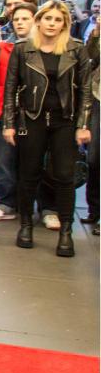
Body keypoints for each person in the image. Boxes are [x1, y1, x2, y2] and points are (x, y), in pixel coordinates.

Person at [3, 0, 93, 257]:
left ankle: (66, 231)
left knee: (65, 176)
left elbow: (85, 89)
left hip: (65, 120)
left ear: (65, 23)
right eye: (48, 18)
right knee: (29, 173)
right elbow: (11, 88)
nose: (52, 24)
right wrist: (9, 124)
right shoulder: (23, 49)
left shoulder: (76, 49)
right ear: (39, 21)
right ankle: (26, 226)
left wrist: (83, 124)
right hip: (32, 118)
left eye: (58, 20)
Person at [0, 2, 38, 221]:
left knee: (35, 160)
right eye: (16, 19)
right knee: (4, 160)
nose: (20, 23)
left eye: (25, 18)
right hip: (6, 110)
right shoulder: (3, 45)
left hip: (36, 112)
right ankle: (6, 203)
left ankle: (41, 206)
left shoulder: (45, 46)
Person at [83, 22, 100, 235]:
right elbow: (89, 58)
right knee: (94, 159)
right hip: (98, 99)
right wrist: (96, 34)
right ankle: (94, 209)